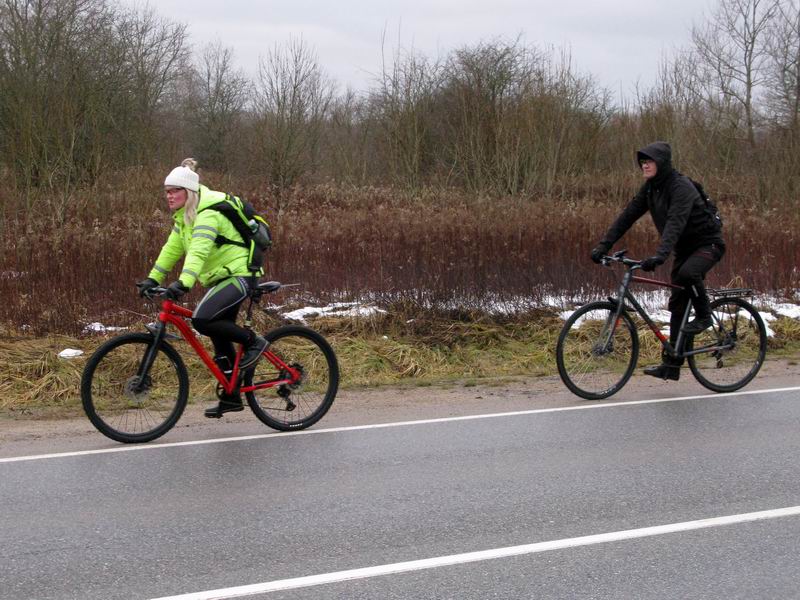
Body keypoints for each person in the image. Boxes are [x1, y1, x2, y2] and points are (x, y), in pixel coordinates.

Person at [136, 158, 268, 417]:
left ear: (189, 192)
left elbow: (197, 252)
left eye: (174, 191)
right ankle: (232, 397)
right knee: (218, 332)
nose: (169, 196)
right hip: (222, 276)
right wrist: (153, 278)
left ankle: (255, 342)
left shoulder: (208, 214)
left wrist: (183, 283)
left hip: (241, 273)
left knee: (203, 319)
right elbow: (171, 250)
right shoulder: (185, 217)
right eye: (167, 192)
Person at [590, 141, 725, 381]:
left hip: (708, 244)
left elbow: (675, 222)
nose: (644, 165)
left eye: (649, 161)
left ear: (661, 163)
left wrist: (660, 256)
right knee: (677, 305)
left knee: (687, 274)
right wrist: (604, 245)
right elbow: (628, 216)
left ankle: (704, 317)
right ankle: (671, 366)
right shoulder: (651, 188)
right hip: (684, 249)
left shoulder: (680, 187)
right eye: (642, 162)